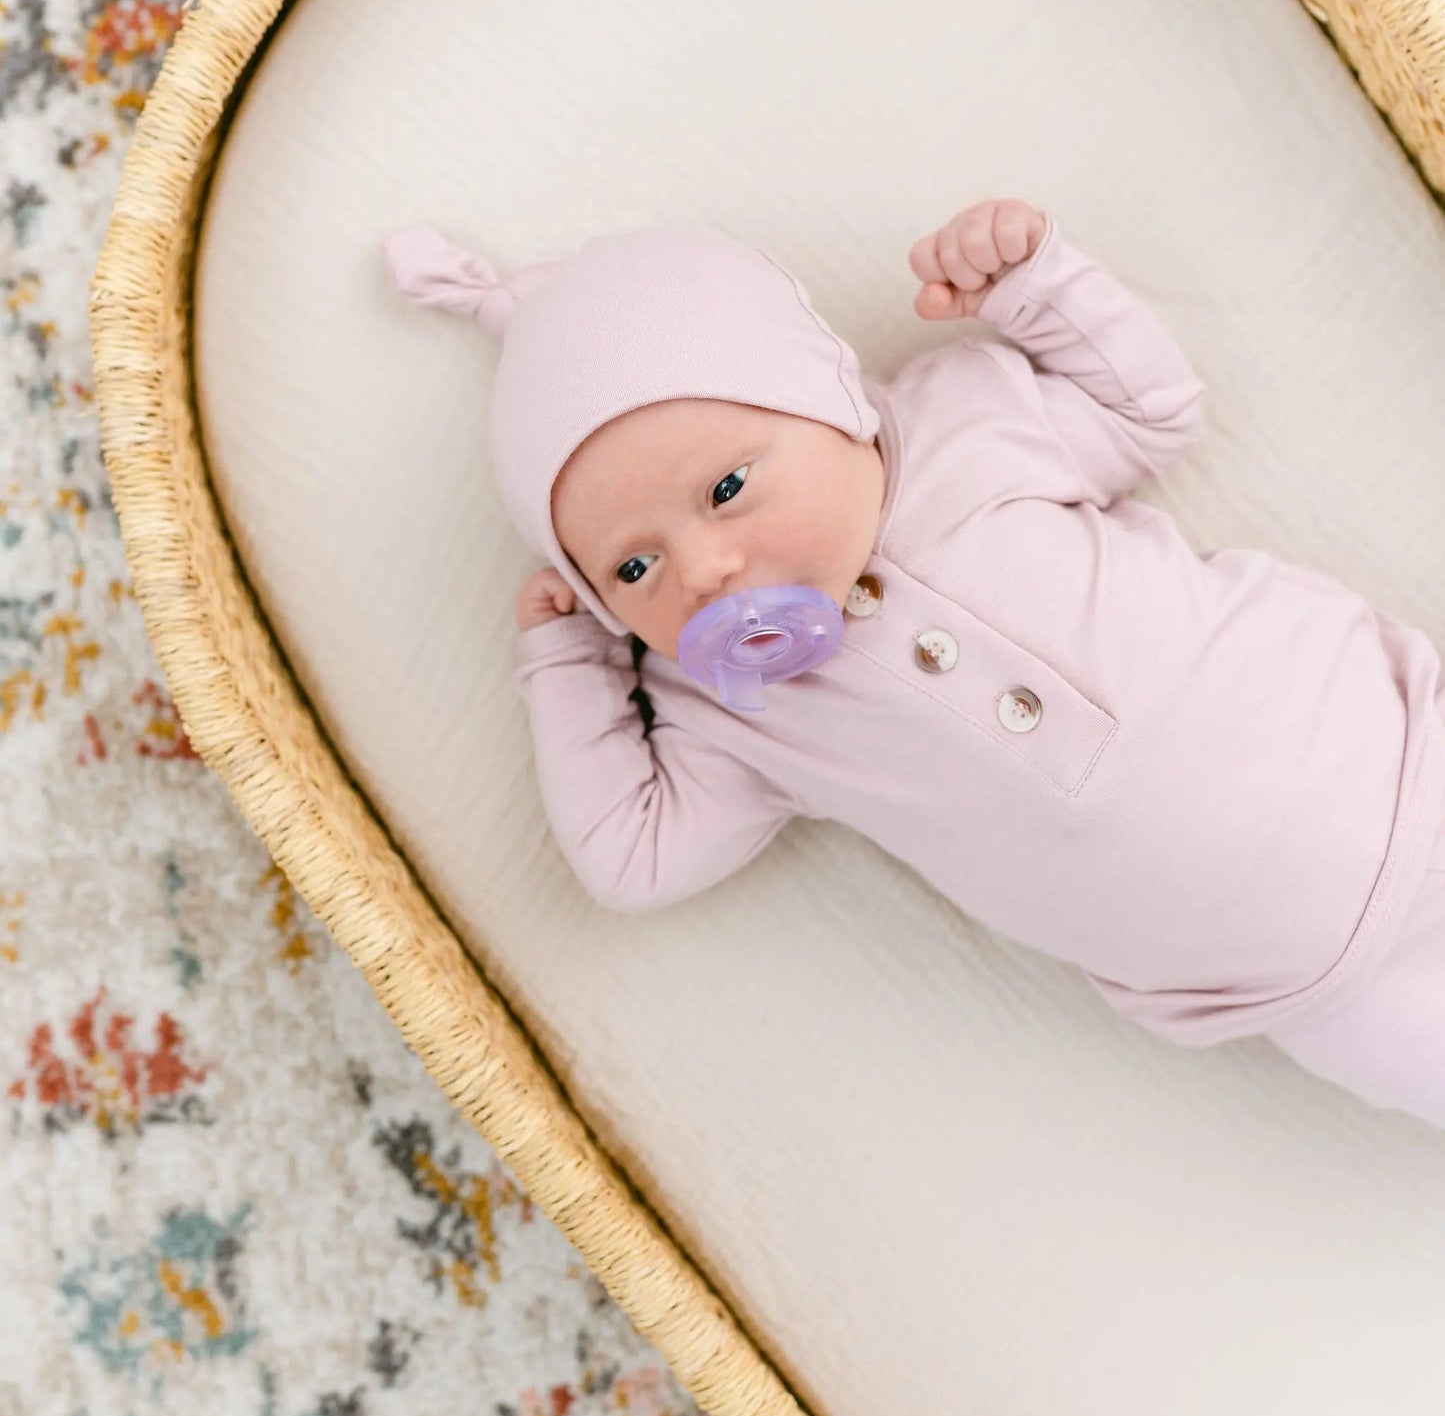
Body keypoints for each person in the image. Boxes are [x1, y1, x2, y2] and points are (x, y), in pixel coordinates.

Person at [384, 200, 1445, 1122]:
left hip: (1394, 737)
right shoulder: (729, 704)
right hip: (1315, 983)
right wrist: (570, 659)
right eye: (630, 565)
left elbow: (1151, 407)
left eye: (724, 490)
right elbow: (630, 854)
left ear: (831, 399)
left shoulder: (964, 424)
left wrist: (1031, 282)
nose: (703, 568)